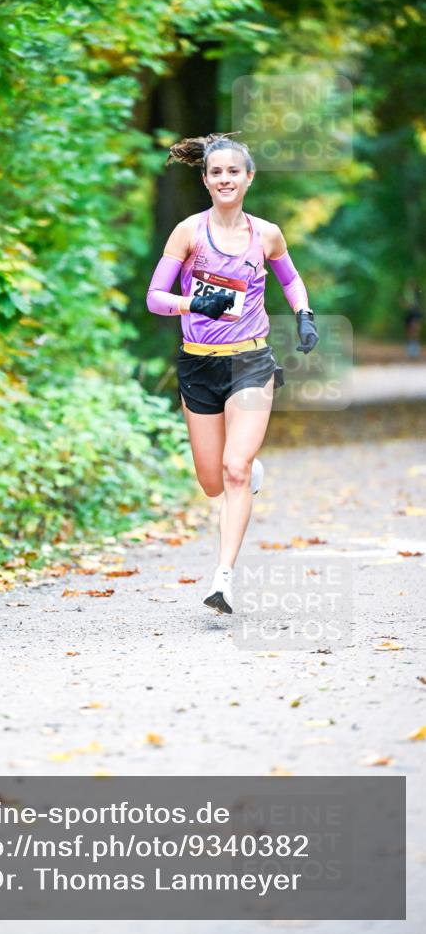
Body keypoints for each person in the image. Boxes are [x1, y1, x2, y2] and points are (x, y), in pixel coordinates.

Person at [146, 132, 318, 615]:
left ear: (248, 178)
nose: (225, 179)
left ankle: (223, 579)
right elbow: (155, 298)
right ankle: (244, 470)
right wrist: (194, 301)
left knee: (235, 470)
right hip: (198, 361)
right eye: (216, 172)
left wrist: (303, 313)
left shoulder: (266, 234)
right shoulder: (188, 233)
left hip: (251, 361)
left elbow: (290, 278)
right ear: (205, 179)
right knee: (211, 481)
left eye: (233, 172)